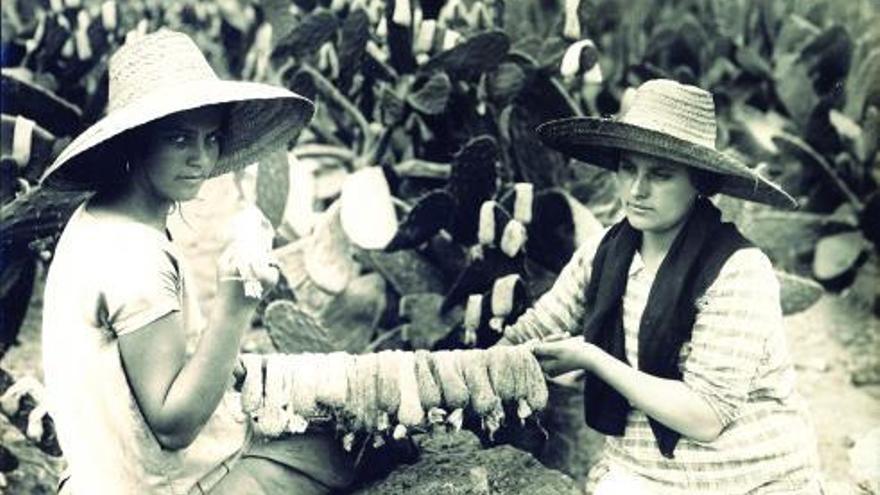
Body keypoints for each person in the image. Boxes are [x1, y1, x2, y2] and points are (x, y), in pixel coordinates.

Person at [40, 29, 353, 494]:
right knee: (348, 453)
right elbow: (173, 424)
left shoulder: (101, 219)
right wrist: (235, 304)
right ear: (134, 142)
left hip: (103, 476)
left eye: (211, 138)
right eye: (179, 138)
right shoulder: (134, 256)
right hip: (155, 488)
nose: (201, 158)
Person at [502, 79, 823, 494]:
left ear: (700, 182)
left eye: (661, 174)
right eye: (627, 168)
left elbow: (705, 417)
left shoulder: (739, 270)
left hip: (752, 476)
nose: (637, 190)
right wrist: (455, 376)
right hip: (645, 473)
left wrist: (591, 358)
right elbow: (533, 331)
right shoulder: (605, 252)